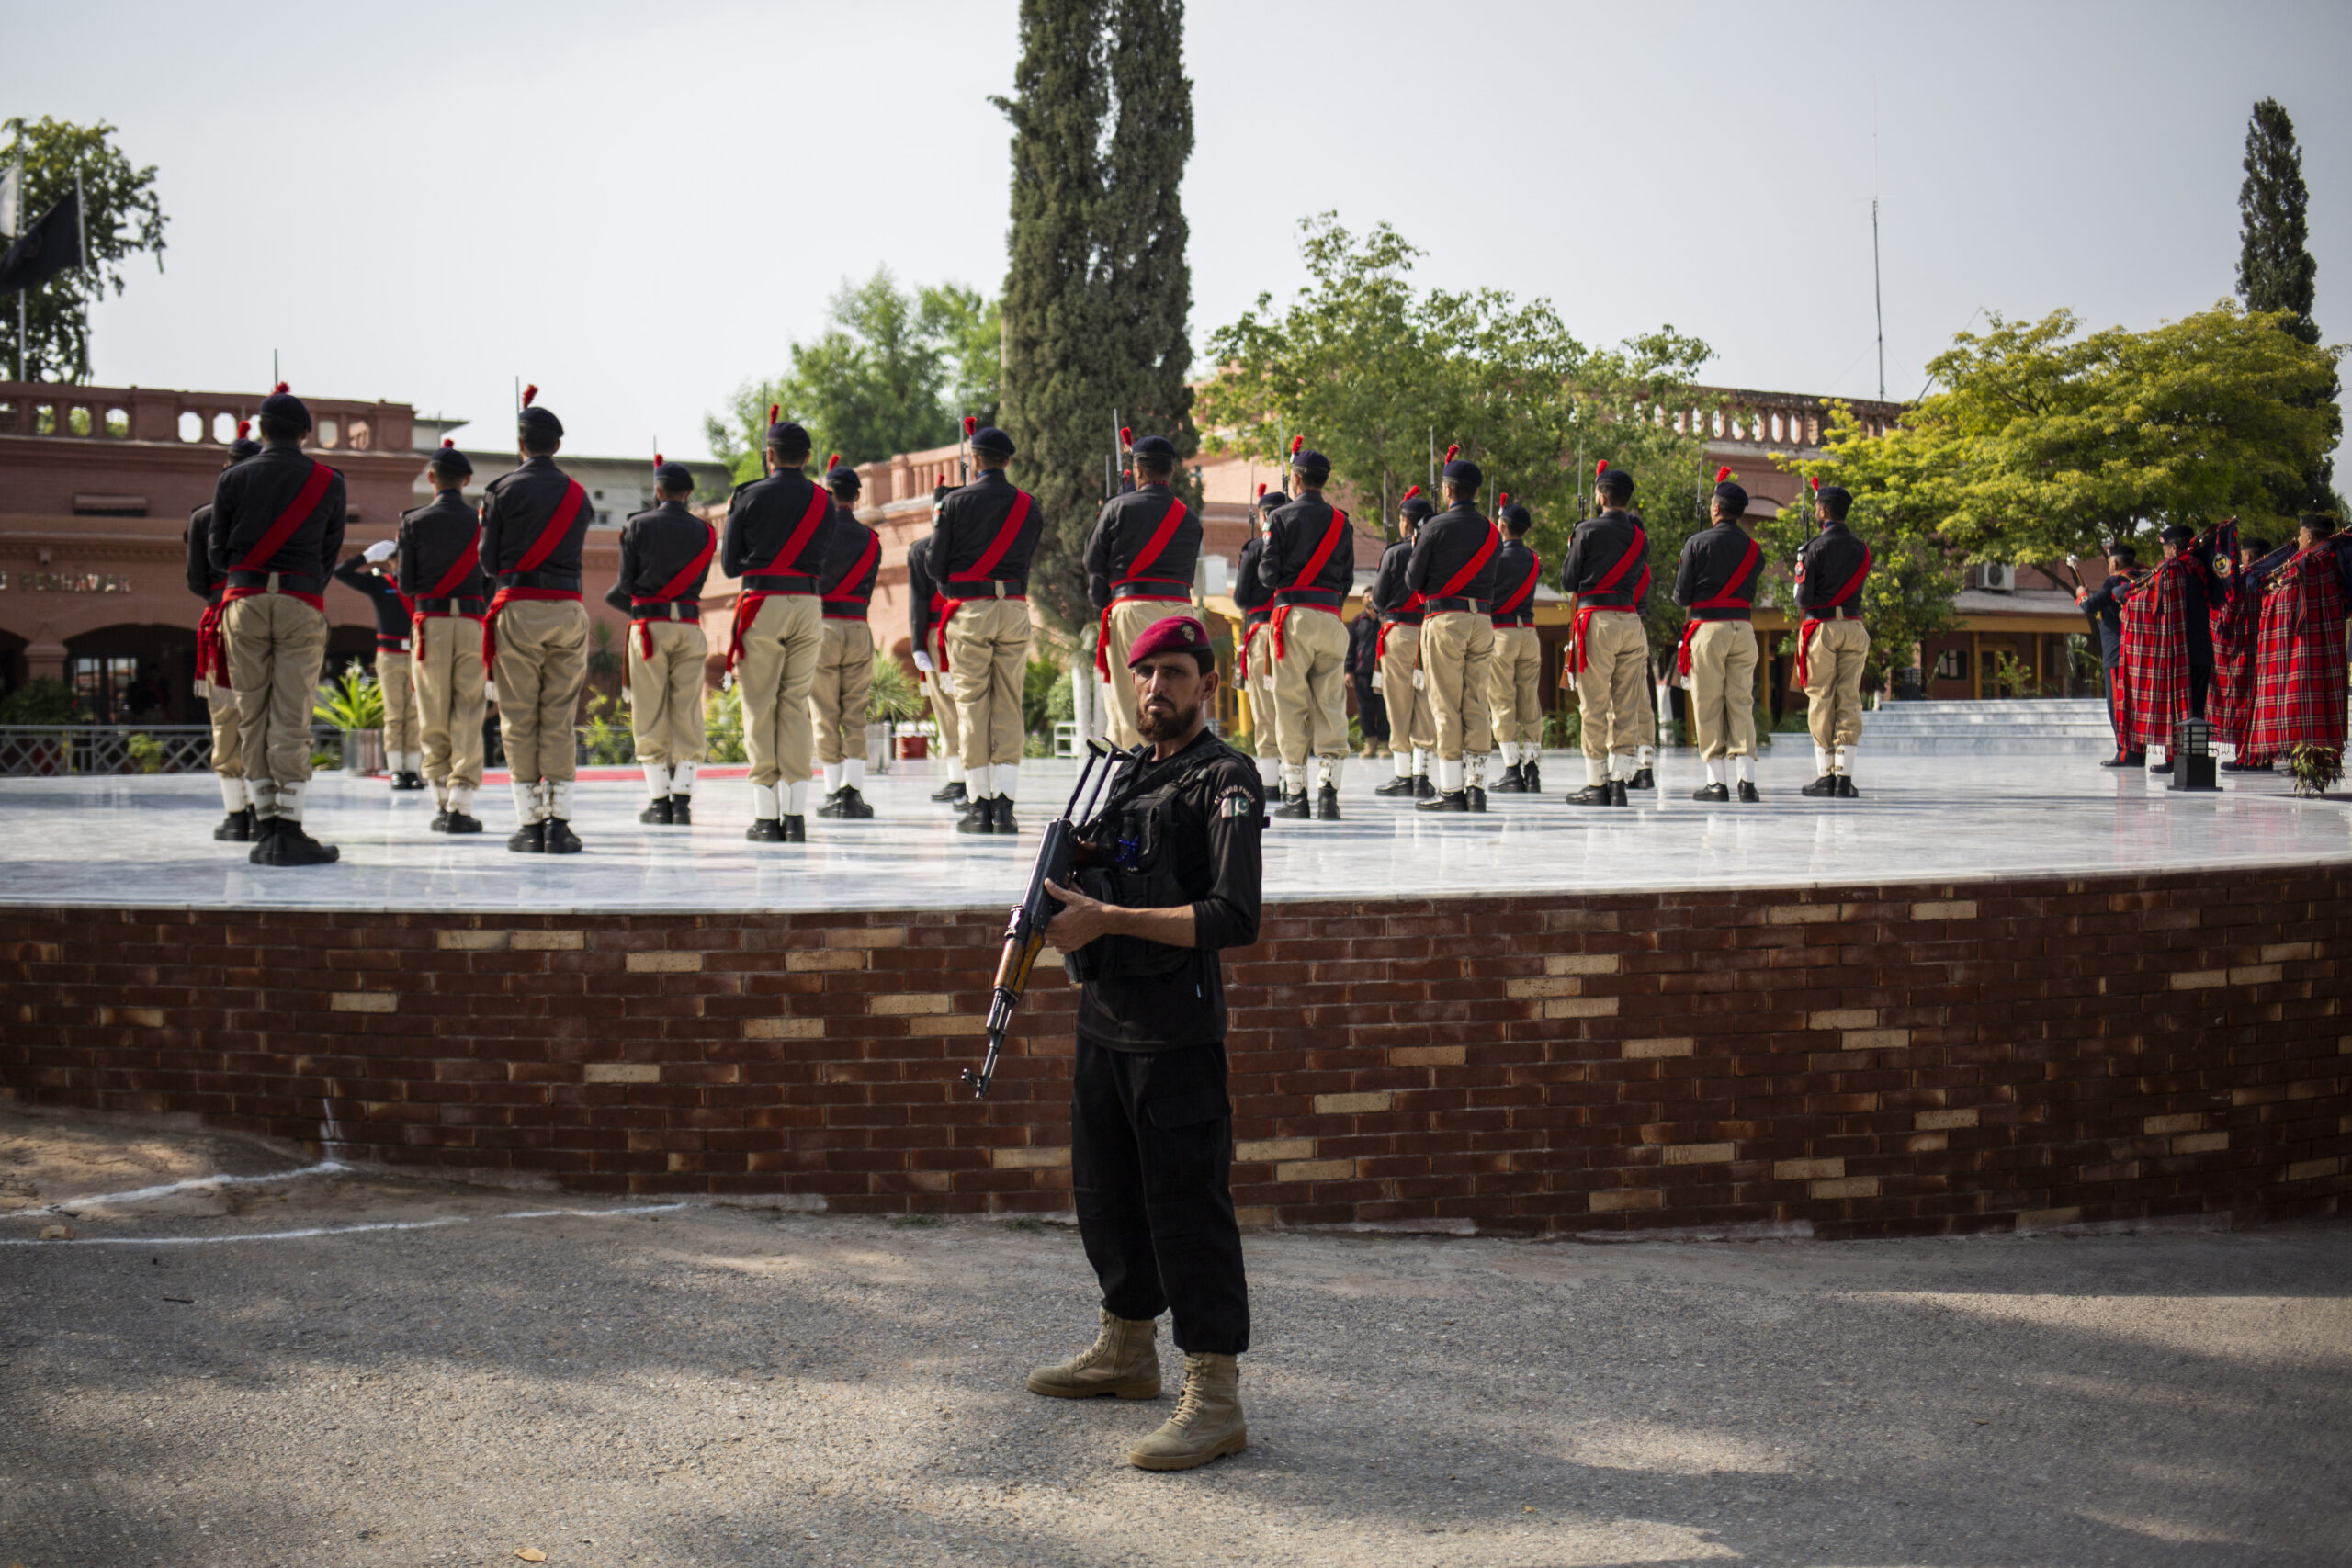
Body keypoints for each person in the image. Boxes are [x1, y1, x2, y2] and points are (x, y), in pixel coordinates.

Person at [1031, 612, 1261, 1473]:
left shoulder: (1225, 779)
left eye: (1172, 672)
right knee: (1107, 1196)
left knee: (1187, 1208)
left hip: (1175, 1034)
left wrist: (1108, 917)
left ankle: (1217, 1395)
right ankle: (1128, 1348)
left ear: (1207, 682)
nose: (1155, 688)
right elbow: (1111, 865)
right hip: (1105, 1020)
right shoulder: (1129, 777)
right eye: (1144, 674)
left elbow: (1235, 916)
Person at [209, 383, 345, 866]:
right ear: (305, 434)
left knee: (251, 713)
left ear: (261, 431)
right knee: (291, 714)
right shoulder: (329, 481)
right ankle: (289, 826)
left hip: (242, 599)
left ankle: (263, 824)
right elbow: (329, 555)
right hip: (299, 599)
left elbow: (216, 552)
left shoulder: (233, 478)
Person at [482, 385, 593, 853]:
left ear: (521, 444)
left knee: (519, 716)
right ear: (558, 446)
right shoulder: (579, 495)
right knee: (559, 716)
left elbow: (488, 562)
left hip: (520, 606)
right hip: (567, 608)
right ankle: (561, 823)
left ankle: (530, 823)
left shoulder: (501, 491)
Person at [724, 412, 833, 844]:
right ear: (807, 457)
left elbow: (732, 565)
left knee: (759, 704)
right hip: (808, 603)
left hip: (762, 603)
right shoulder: (825, 501)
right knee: (794, 704)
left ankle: (766, 817)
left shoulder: (748, 496)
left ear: (769, 456)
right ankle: (795, 815)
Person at [931, 426, 1042, 835]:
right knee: (1009, 702)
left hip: (971, 608)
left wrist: (953, 589)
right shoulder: (1029, 506)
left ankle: (979, 805)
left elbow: (935, 564)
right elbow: (1026, 560)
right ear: (1007, 461)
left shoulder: (953, 503)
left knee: (972, 703)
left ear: (974, 460)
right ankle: (1006, 806)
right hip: (1013, 607)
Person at [605, 457, 715, 827]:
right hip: (688, 624)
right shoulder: (705, 532)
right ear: (689, 494)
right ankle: (682, 799)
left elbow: (625, 585)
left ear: (658, 491)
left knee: (649, 711)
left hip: (650, 628)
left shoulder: (637, 525)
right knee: (687, 710)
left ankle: (658, 801)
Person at [1085, 434, 1202, 750]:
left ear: (1138, 471)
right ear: (1172, 472)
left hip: (1134, 607)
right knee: (1174, 692)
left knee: (1132, 694)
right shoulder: (1190, 519)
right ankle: (1173, 757)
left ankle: (1142, 768)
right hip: (1180, 610)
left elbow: (1092, 560)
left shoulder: (1118, 508)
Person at [1258, 447, 1355, 819]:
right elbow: (1346, 578)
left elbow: (1268, 575)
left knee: (1290, 704)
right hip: (1330, 615)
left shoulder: (1280, 518)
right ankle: (1328, 795)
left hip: (1292, 618)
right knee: (1331, 704)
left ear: (1295, 479)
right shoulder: (1341, 523)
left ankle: (1296, 796)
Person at [400, 439, 489, 834]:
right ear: (467, 481)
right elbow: (491, 578)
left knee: (432, 706)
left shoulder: (414, 521)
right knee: (469, 708)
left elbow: (405, 584)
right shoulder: (481, 524)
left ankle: (439, 796)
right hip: (471, 621)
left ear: (431, 478)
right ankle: (462, 800)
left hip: (430, 621)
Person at [1406, 448, 1500, 812]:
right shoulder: (1492, 531)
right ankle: (1477, 788)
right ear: (1475, 491)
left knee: (1445, 703)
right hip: (1482, 620)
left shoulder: (1434, 527)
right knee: (1476, 701)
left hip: (1446, 620)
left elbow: (1413, 578)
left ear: (1448, 490)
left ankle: (1450, 789)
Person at [186, 423, 264, 841]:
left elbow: (196, 580)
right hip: (260, 618)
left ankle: (236, 814)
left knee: (226, 718)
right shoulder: (269, 516)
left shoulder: (202, 518)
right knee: (262, 716)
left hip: (219, 619)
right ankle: (262, 807)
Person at [1558, 461, 1651, 807]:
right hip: (1630, 620)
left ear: (1601, 495)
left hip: (1597, 620)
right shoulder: (1639, 536)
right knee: (1626, 704)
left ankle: (1596, 783)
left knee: (1594, 704)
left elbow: (1568, 581)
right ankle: (1619, 780)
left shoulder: (1587, 531)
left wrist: (1575, 541)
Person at [1673, 469, 1767, 802]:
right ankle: (1747, 782)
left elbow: (1682, 596)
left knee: (1708, 703)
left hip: (1708, 629)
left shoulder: (1697, 543)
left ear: (1715, 509)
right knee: (1741, 701)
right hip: (1743, 629)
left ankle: (1717, 783)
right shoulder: (1755, 550)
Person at [2245, 515, 2352, 772]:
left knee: (2306, 700)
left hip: (2307, 642)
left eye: (2301, 534)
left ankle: (2311, 760)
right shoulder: (2325, 558)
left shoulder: (2314, 561)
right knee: (2317, 698)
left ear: (2311, 537)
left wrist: (2272, 593)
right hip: (2319, 641)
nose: (2298, 539)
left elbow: (2290, 593)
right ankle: (2313, 758)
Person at [812, 458, 882, 819]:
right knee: (855, 710)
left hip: (822, 625)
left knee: (825, 712)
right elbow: (867, 588)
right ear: (857, 496)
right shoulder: (871, 540)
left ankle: (831, 792)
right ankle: (853, 792)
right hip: (857, 623)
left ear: (828, 494)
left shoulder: (815, 535)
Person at [1793, 483, 1872, 798]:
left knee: (1822, 697)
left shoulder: (1811, 549)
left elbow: (1802, 599)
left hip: (1823, 627)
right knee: (1849, 697)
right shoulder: (1862, 549)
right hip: (1853, 625)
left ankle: (1825, 773)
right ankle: (1845, 776)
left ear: (1823, 510)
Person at [2120, 523, 2217, 775]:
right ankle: (2190, 761)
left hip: (2182, 648)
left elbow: (2157, 602)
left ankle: (2181, 762)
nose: (2163, 554)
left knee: (2182, 707)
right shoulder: (2198, 566)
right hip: (2202, 648)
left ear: (2174, 547)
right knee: (2194, 709)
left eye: (2165, 548)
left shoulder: (2174, 569)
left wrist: (2128, 606)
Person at [331, 542, 425, 791]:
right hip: (391, 655)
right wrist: (366, 556)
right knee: (395, 714)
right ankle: (396, 769)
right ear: (389, 561)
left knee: (414, 714)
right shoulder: (381, 583)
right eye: (396, 558)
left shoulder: (420, 585)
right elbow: (340, 573)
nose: (401, 563)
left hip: (417, 654)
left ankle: (413, 769)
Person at [1371, 487, 1437, 798]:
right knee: (1425, 700)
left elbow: (1380, 598)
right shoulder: (1438, 552)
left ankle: (1402, 773)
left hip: (1399, 632)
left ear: (1407, 523)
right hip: (1428, 630)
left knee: (1398, 702)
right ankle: (1422, 773)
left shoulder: (1396, 553)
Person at [907, 523, 967, 805]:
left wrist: (918, 643)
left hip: (936, 631)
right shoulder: (972, 542)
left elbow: (918, 600)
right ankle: (982, 776)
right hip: (970, 626)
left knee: (946, 708)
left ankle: (958, 778)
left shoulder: (921, 549)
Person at [1486, 498, 1543, 793]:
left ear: (1503, 526)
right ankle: (1532, 768)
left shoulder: (1496, 559)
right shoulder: (1534, 560)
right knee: (1529, 700)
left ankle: (1511, 769)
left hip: (1502, 632)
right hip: (1529, 633)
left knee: (1502, 701)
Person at [2075, 543, 2143, 768]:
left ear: (2114, 563)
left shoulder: (2114, 581)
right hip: (2136, 653)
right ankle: (2137, 752)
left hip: (2116, 653)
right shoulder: (2140, 579)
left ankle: (2125, 752)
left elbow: (2089, 606)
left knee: (2118, 706)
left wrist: (2081, 594)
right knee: (2134, 705)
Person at [1232, 487, 1283, 784]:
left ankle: (1271, 780)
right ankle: (1295, 777)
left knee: (1265, 709)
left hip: (1263, 630)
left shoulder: (1253, 549)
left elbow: (1240, 599)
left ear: (1263, 516)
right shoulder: (1298, 545)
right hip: (1290, 629)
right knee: (1290, 706)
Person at [2209, 525, 2271, 771]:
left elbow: (2224, 614)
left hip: (2242, 651)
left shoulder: (2243, 581)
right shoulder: (2270, 578)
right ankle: (2261, 755)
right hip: (2265, 649)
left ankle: (2249, 754)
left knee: (2245, 706)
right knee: (2259, 705)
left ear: (2248, 557)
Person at [1345, 603, 1388, 759]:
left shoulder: (1385, 619)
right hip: (1362, 671)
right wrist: (1348, 670)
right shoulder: (1358, 621)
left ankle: (1385, 743)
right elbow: (1350, 647)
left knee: (1384, 707)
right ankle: (1370, 743)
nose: (1370, 599)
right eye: (1367, 596)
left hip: (1382, 671)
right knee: (1365, 709)